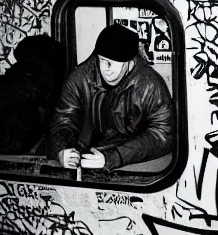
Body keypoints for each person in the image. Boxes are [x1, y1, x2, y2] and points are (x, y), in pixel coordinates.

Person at [48, 23, 173, 172]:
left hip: (131, 162)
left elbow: (162, 133)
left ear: (129, 62)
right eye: (101, 60)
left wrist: (114, 157)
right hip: (86, 157)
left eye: (111, 63)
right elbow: (64, 119)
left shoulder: (150, 85)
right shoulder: (80, 78)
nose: (105, 69)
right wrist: (61, 151)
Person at [0, 34, 66, 154]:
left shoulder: (34, 74)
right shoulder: (38, 75)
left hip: (10, 132)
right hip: (11, 132)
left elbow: (12, 92)